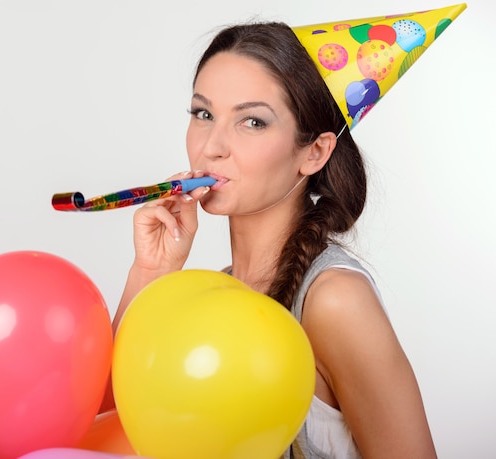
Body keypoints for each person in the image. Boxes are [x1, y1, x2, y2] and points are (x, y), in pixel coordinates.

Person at [111, 21, 437, 458]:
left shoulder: (335, 300)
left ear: (315, 152)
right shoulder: (213, 294)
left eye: (252, 121)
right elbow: (108, 427)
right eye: (203, 114)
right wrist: (152, 270)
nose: (212, 147)